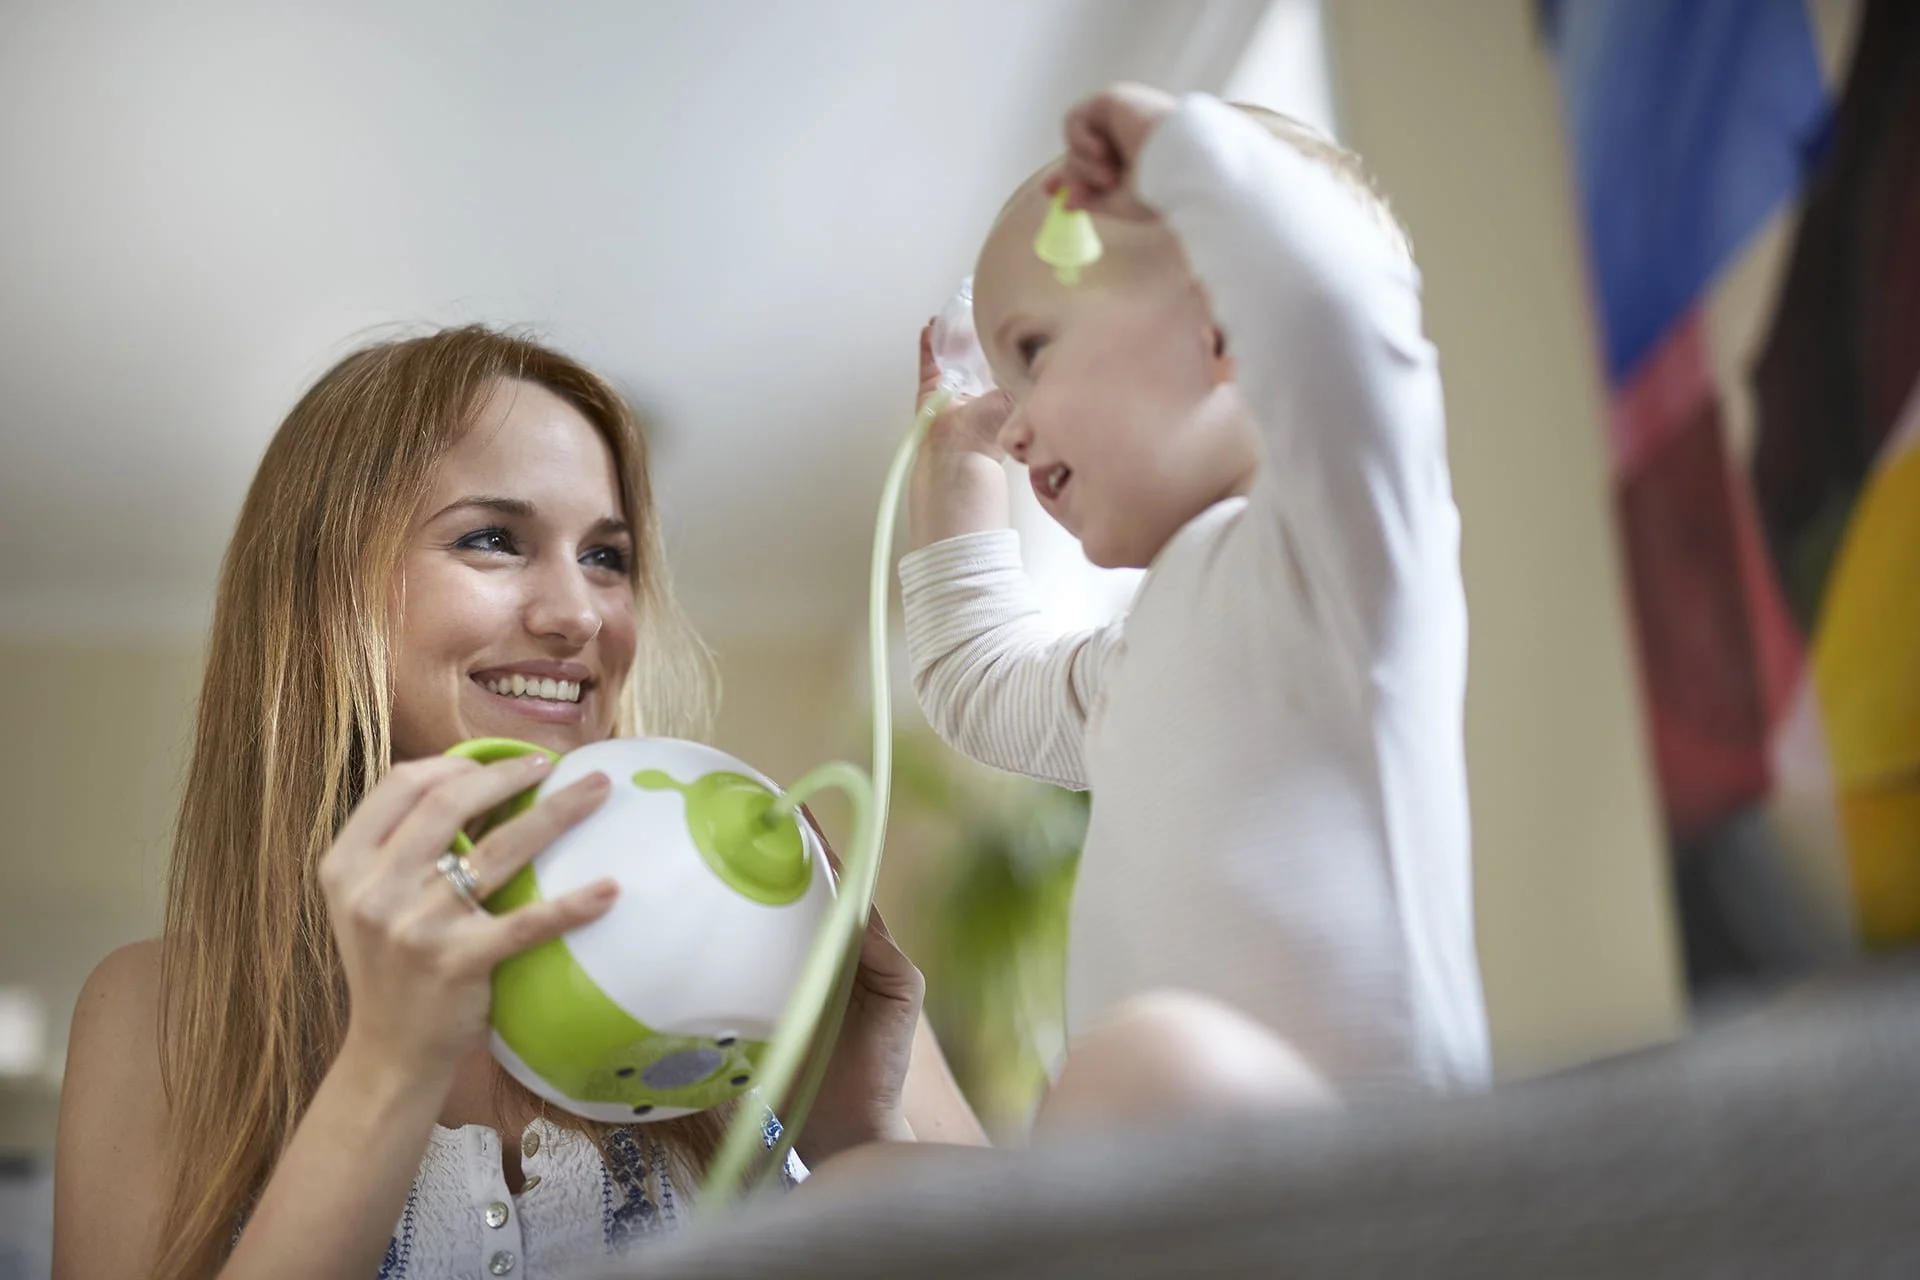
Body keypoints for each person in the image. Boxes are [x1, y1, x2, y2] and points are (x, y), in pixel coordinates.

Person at [52, 326, 984, 1280]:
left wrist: (860, 1139)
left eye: (607, 558)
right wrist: (387, 1067)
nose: (579, 614)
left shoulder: (793, 946)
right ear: (323, 593)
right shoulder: (160, 1012)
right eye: (493, 540)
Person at [901, 82, 1490, 1114]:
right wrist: (958, 468)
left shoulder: (1344, 557)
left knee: (1142, 1066)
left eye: (1033, 351)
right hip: (1184, 1178)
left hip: (1373, 1176)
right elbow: (977, 681)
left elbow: (1335, 319)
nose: (1016, 424)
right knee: (860, 1195)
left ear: (1226, 324)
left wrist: (1183, 157)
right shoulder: (1138, 659)